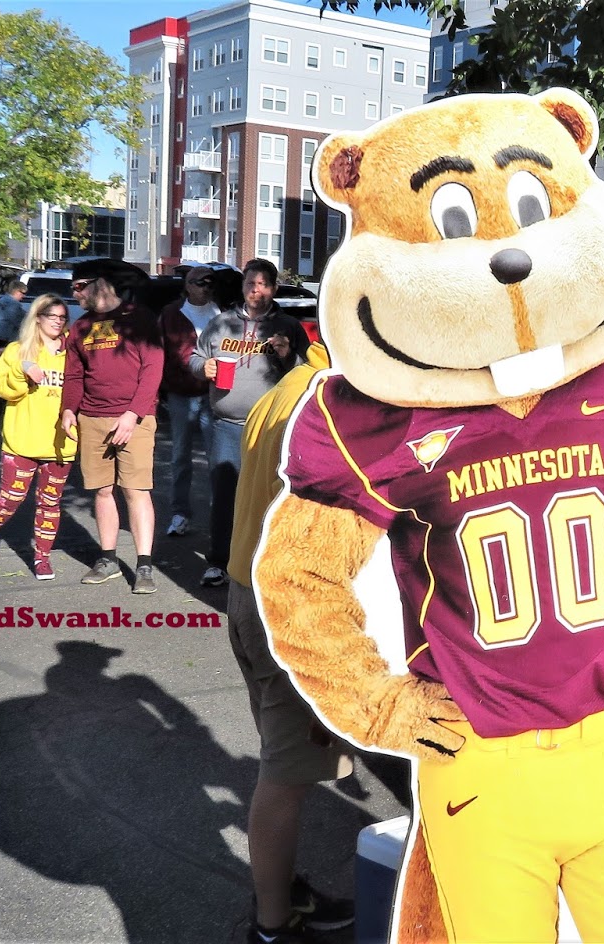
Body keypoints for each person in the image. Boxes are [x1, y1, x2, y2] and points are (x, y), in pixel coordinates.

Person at [228, 340, 357, 944]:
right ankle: (271, 926)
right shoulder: (331, 399)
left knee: (282, 760)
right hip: (289, 607)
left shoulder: (283, 390)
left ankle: (279, 891)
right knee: (285, 772)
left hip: (247, 592)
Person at [189, 258, 307, 588]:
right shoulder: (221, 324)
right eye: (249, 284)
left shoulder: (288, 327)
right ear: (242, 287)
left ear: (273, 288)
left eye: (262, 284)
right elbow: (195, 358)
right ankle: (219, 561)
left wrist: (287, 356)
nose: (255, 290)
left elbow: (308, 372)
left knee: (269, 496)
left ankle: (263, 562)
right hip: (226, 425)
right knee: (225, 495)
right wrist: (203, 368)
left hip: (271, 428)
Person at [59, 259, 165, 594]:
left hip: (135, 419)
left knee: (135, 490)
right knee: (103, 490)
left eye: (77, 288)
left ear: (98, 284)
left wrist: (132, 415)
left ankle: (144, 566)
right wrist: (68, 410)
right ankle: (107, 559)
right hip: (92, 418)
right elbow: (74, 374)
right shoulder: (80, 328)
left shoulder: (140, 319)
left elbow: (153, 369)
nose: (74, 296)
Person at [0, 294, 77, 580]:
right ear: (37, 317)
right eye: (51, 316)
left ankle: (42, 557)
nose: (57, 322)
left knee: (50, 503)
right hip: (22, 439)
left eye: (62, 317)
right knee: (10, 499)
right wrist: (24, 375)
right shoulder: (17, 351)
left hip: (60, 442)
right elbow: (3, 390)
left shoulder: (73, 353)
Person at [158, 265, 223, 538]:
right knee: (180, 456)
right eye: (200, 282)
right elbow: (159, 353)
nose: (205, 287)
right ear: (187, 286)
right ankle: (179, 513)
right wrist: (157, 392)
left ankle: (219, 517)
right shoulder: (172, 314)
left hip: (214, 394)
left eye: (210, 283)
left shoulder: (221, 314)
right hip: (182, 394)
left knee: (217, 459)